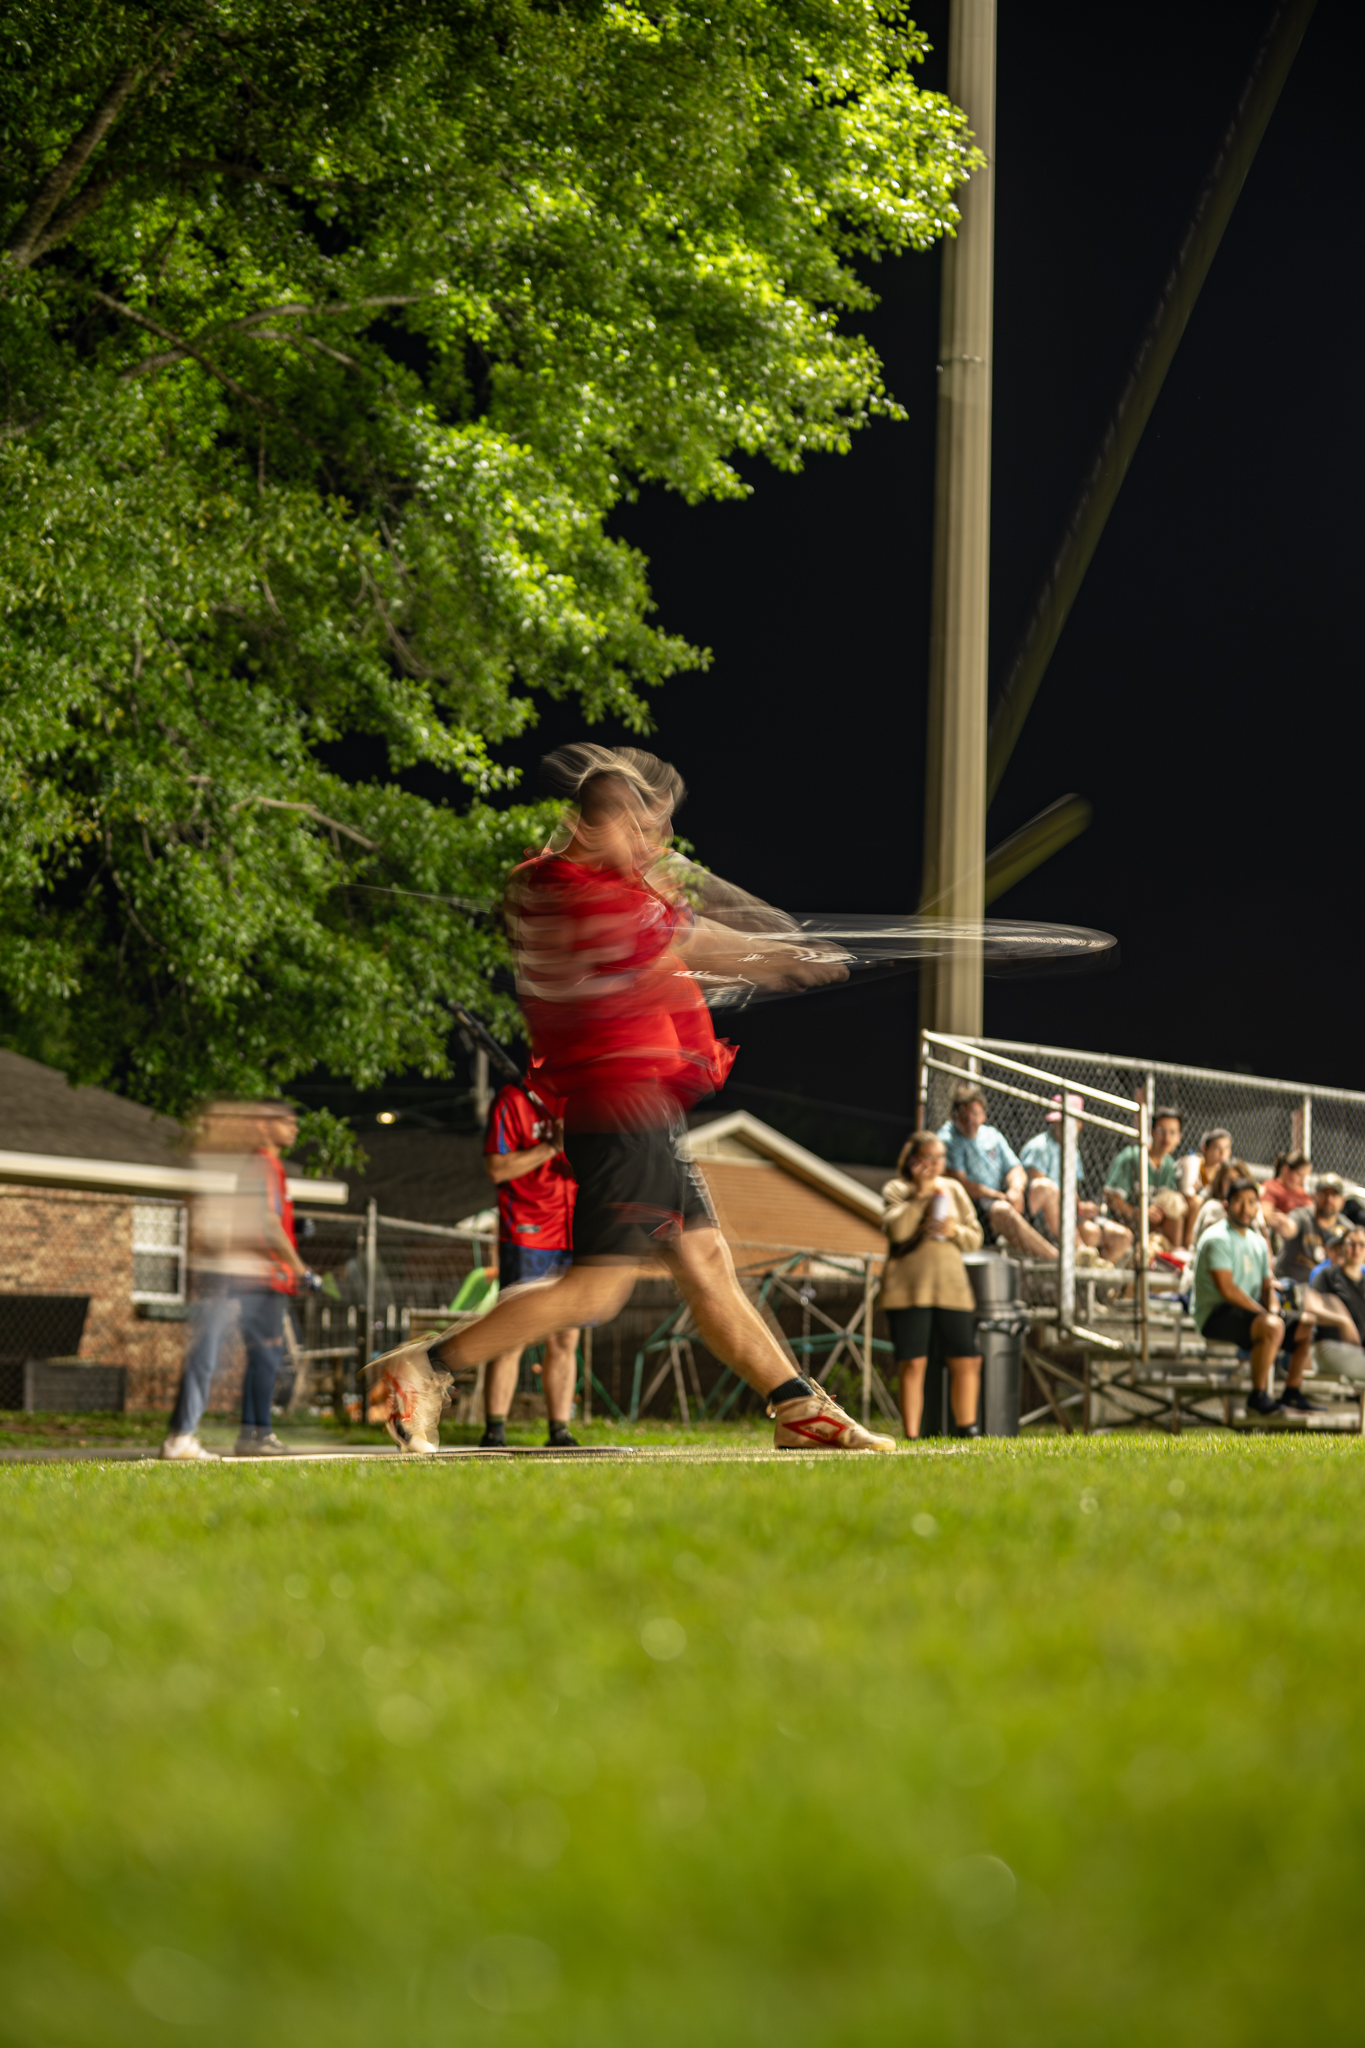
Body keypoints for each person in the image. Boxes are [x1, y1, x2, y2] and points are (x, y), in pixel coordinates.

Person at [369, 746, 896, 1454]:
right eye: (648, 827)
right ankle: (425, 1366)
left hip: (636, 1108)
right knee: (595, 1291)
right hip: (618, 1107)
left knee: (706, 1262)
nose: (661, 844)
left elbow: (688, 931)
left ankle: (798, 1407)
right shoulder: (580, 892)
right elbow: (699, 940)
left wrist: (770, 941)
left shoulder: (577, 884)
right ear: (605, 824)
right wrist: (785, 958)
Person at [162, 1101, 315, 1461]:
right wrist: (301, 1269)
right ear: (264, 1126)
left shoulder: (258, 1167)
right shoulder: (265, 1165)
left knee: (240, 1352)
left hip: (247, 1275)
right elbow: (267, 1223)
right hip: (259, 1277)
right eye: (286, 1122)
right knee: (260, 1351)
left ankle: (220, 1433)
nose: (294, 1128)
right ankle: (250, 1432)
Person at [481, 1069, 580, 1449]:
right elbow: (498, 1167)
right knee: (513, 1333)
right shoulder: (512, 1100)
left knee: (565, 1338)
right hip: (528, 1232)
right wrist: (549, 1147)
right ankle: (495, 1431)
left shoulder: (578, 1103)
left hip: (573, 1231)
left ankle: (559, 1431)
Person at [879, 1132, 984, 1439]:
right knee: (913, 1363)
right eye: (928, 1157)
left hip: (952, 1289)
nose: (936, 1164)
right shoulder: (897, 1189)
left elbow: (975, 1237)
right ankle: (911, 1434)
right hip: (908, 1290)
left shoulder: (953, 1189)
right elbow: (896, 1231)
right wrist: (922, 1195)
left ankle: (967, 1428)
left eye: (940, 1157)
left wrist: (954, 1231)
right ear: (912, 1161)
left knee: (965, 1359)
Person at [1190, 1176, 1315, 1417]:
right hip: (1216, 1314)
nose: (1245, 1208)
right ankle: (1258, 1397)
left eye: (1251, 1202)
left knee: (1306, 1327)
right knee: (1271, 1326)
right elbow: (1228, 1290)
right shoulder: (1217, 1238)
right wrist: (1265, 1314)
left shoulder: (1258, 1242)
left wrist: (1274, 1307)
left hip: (1251, 1313)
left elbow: (1267, 1284)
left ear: (1257, 1206)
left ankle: (1291, 1392)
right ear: (1226, 1205)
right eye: (1238, 1201)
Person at [937, 1083, 1055, 1261]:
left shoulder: (992, 1135)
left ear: (983, 1115)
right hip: (975, 1212)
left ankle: (1079, 1252)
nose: (970, 1120)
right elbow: (962, 1184)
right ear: (954, 1116)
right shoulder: (948, 1138)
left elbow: (1015, 1169)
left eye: (975, 1113)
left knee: (1046, 1188)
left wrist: (1015, 1190)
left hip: (1004, 1199)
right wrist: (997, 1196)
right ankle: (1058, 1261)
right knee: (1002, 1210)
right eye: (964, 1115)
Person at [1018, 1093, 1132, 1262]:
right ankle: (1083, 1261)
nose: (1062, 1127)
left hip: (1070, 1214)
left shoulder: (1073, 1151)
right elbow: (1039, 1190)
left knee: (1121, 1236)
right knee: (1090, 1234)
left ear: (1079, 1124)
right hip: (1043, 1217)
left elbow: (1073, 1193)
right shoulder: (1039, 1147)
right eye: (1059, 1122)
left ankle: (1094, 1280)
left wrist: (1081, 1207)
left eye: (1068, 1122)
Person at [1104, 1107, 1187, 1252]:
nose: (1167, 1138)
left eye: (1172, 1133)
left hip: (1154, 1228)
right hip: (1126, 1225)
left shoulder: (1170, 1165)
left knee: (1179, 1205)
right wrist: (1141, 1213)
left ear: (1179, 1137)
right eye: (1162, 1131)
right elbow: (1111, 1198)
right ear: (1152, 1131)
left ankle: (1175, 1254)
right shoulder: (1131, 1157)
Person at [1271, 1172, 1347, 1291]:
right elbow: (1290, 1227)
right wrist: (1283, 1225)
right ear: (1314, 1196)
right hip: (1291, 1285)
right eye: (1324, 1194)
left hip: (1325, 1291)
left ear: (1342, 1201)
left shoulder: (1346, 1229)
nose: (1329, 1199)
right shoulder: (1302, 1216)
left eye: (1334, 1195)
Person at [1306, 1226, 1365, 1378]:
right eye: (1351, 1244)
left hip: (1359, 1349)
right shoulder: (1327, 1275)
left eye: (1361, 1245)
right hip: (1331, 1345)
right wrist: (1342, 1321)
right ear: (1343, 1247)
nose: (1356, 1249)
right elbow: (1311, 1308)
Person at [1179, 1128, 1232, 1244]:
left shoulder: (1227, 1171)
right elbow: (1188, 1192)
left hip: (1212, 1210)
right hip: (1191, 1207)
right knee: (1196, 1202)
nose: (1223, 1153)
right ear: (1205, 1149)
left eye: (1227, 1148)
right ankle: (1189, 1243)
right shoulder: (1195, 1163)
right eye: (1217, 1148)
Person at [1260, 1150, 1313, 1231]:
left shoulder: (1302, 1192)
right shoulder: (1271, 1187)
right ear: (1286, 1169)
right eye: (1299, 1175)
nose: (1302, 1180)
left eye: (1305, 1176)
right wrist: (1286, 1221)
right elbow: (1265, 1215)